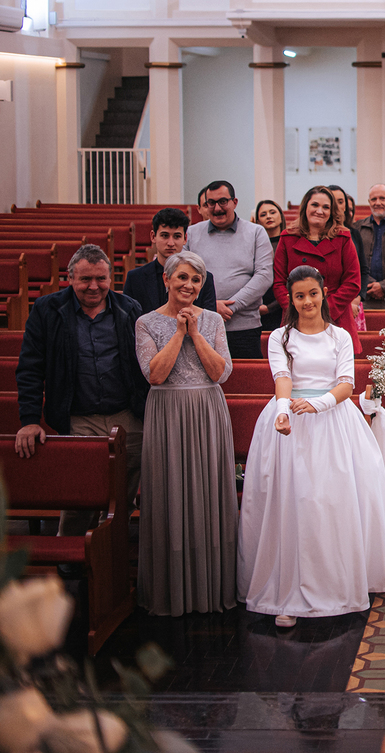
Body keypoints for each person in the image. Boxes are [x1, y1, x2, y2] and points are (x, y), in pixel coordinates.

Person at [238, 265, 385, 627]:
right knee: (293, 503)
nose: (307, 301)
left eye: (313, 293)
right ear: (291, 299)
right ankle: (288, 592)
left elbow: (346, 383)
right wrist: (284, 411)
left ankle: (342, 581)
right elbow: (282, 378)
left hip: (333, 421)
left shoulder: (340, 337)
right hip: (290, 424)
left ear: (323, 293)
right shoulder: (281, 338)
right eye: (299, 296)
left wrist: (318, 404)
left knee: (331, 500)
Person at [14, 245, 147, 536]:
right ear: (70, 278)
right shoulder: (48, 310)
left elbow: (145, 365)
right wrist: (29, 420)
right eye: (85, 279)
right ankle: (70, 559)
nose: (94, 286)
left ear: (112, 279)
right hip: (78, 416)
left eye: (101, 278)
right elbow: (30, 369)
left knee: (121, 499)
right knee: (80, 496)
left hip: (126, 415)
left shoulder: (129, 308)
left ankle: (108, 558)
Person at [135, 251, 237, 616]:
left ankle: (212, 587)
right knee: (170, 493)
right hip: (167, 413)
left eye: (195, 280)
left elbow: (220, 373)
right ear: (166, 280)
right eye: (181, 277)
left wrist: (196, 332)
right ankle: (171, 590)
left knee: (209, 493)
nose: (189, 285)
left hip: (207, 410)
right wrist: (179, 333)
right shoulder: (145, 322)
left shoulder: (212, 321)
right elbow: (155, 374)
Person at [185, 180, 274, 359]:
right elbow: (182, 275)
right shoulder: (192, 233)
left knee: (245, 384)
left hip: (244, 328)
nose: (217, 208)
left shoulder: (256, 232)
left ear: (235, 202)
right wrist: (210, 305)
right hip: (201, 325)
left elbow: (264, 276)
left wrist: (232, 306)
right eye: (211, 203)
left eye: (223, 201)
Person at [273, 185, 363, 354]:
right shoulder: (287, 238)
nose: (319, 211)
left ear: (332, 212)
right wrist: (299, 311)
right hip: (297, 320)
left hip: (335, 319)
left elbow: (353, 282)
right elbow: (279, 283)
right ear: (305, 207)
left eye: (326, 207)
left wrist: (323, 311)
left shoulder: (343, 238)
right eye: (315, 205)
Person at [123, 208, 217, 315]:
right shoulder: (135, 278)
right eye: (165, 236)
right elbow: (129, 321)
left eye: (177, 236)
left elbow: (209, 322)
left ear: (185, 238)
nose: (171, 243)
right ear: (153, 237)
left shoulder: (205, 278)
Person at [327, 184, 368, 328]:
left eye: (340, 201)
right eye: (332, 201)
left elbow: (362, 269)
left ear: (346, 206)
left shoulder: (353, 233)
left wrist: (356, 299)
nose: (336, 206)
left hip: (352, 301)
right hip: (327, 303)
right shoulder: (318, 234)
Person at [252, 199, 285, 331]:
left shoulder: (289, 242)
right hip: (257, 306)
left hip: (282, 305)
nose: (269, 216)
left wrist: (271, 307)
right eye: (263, 214)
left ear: (281, 217)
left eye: (272, 212)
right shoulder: (252, 245)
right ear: (258, 221)